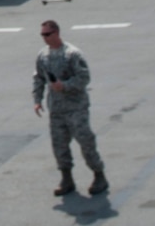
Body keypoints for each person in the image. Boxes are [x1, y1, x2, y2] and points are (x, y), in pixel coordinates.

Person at [34, 19, 109, 196]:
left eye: (47, 34)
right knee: (59, 145)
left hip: (76, 108)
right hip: (56, 110)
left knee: (86, 142)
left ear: (56, 33)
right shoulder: (43, 56)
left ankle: (99, 175)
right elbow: (38, 78)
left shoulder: (72, 54)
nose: (44, 38)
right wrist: (37, 100)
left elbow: (84, 77)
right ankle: (66, 179)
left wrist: (65, 86)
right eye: (42, 35)